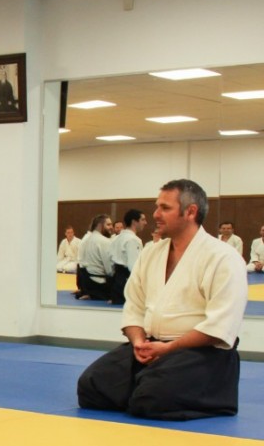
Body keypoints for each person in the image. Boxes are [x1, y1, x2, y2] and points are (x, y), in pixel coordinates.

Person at [77, 179, 248, 420]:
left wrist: (169, 348)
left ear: (190, 212)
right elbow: (134, 305)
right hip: (150, 346)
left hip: (202, 353)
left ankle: (211, 395)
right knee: (91, 386)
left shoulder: (223, 258)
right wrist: (138, 342)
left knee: (151, 397)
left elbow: (221, 325)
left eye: (165, 208)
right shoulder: (151, 252)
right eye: (157, 206)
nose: (155, 214)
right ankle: (147, 385)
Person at [109, 209, 147, 305]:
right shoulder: (132, 240)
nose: (145, 223)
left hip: (116, 282)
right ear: (134, 222)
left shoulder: (117, 238)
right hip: (126, 283)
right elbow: (133, 267)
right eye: (142, 220)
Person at [75, 215, 113, 300]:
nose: (111, 227)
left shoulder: (86, 238)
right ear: (100, 225)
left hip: (86, 282)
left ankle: (89, 293)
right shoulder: (104, 241)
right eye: (108, 224)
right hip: (99, 284)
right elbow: (109, 270)